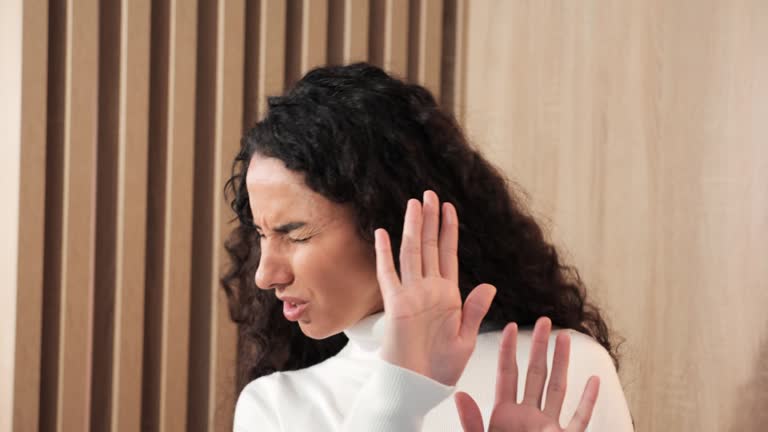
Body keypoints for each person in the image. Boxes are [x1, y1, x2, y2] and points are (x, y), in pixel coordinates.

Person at [224, 63, 633, 431]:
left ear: (386, 218)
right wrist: (399, 393)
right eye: (262, 234)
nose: (265, 275)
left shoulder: (565, 366)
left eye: (295, 234)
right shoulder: (276, 408)